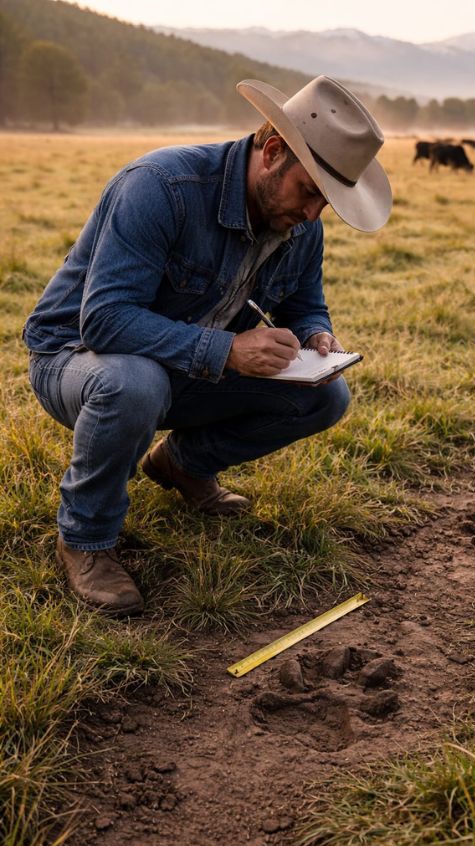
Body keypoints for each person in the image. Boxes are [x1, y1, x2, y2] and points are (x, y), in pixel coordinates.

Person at [23, 75, 392, 617]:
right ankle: (86, 539)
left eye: (327, 203)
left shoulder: (299, 224)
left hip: (183, 364)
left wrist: (316, 335)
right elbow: (104, 321)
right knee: (134, 382)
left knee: (324, 397)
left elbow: (305, 303)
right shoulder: (160, 186)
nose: (314, 216)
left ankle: (181, 465)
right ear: (272, 152)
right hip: (78, 359)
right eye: (311, 193)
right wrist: (225, 350)